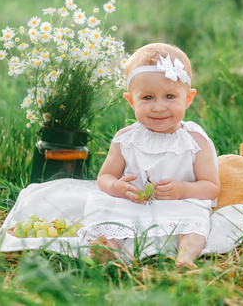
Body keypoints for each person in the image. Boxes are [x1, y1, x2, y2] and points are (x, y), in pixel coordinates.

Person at [81, 42, 220, 268]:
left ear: (188, 98)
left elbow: (211, 186)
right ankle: (109, 249)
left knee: (197, 215)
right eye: (147, 98)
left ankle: (185, 257)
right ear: (130, 101)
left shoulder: (195, 140)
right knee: (100, 205)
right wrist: (117, 188)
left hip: (179, 205)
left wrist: (183, 190)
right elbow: (104, 177)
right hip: (132, 204)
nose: (158, 107)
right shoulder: (125, 139)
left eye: (169, 96)